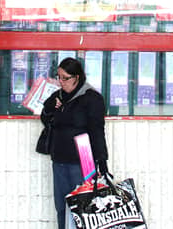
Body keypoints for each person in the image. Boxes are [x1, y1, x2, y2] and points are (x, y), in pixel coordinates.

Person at [40, 57, 108, 229]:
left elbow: (97, 130)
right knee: (62, 206)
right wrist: (48, 108)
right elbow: (45, 118)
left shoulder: (91, 98)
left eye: (65, 78)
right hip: (60, 158)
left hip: (83, 159)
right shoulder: (59, 96)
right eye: (59, 77)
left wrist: (102, 160)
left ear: (77, 77)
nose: (61, 82)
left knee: (84, 205)